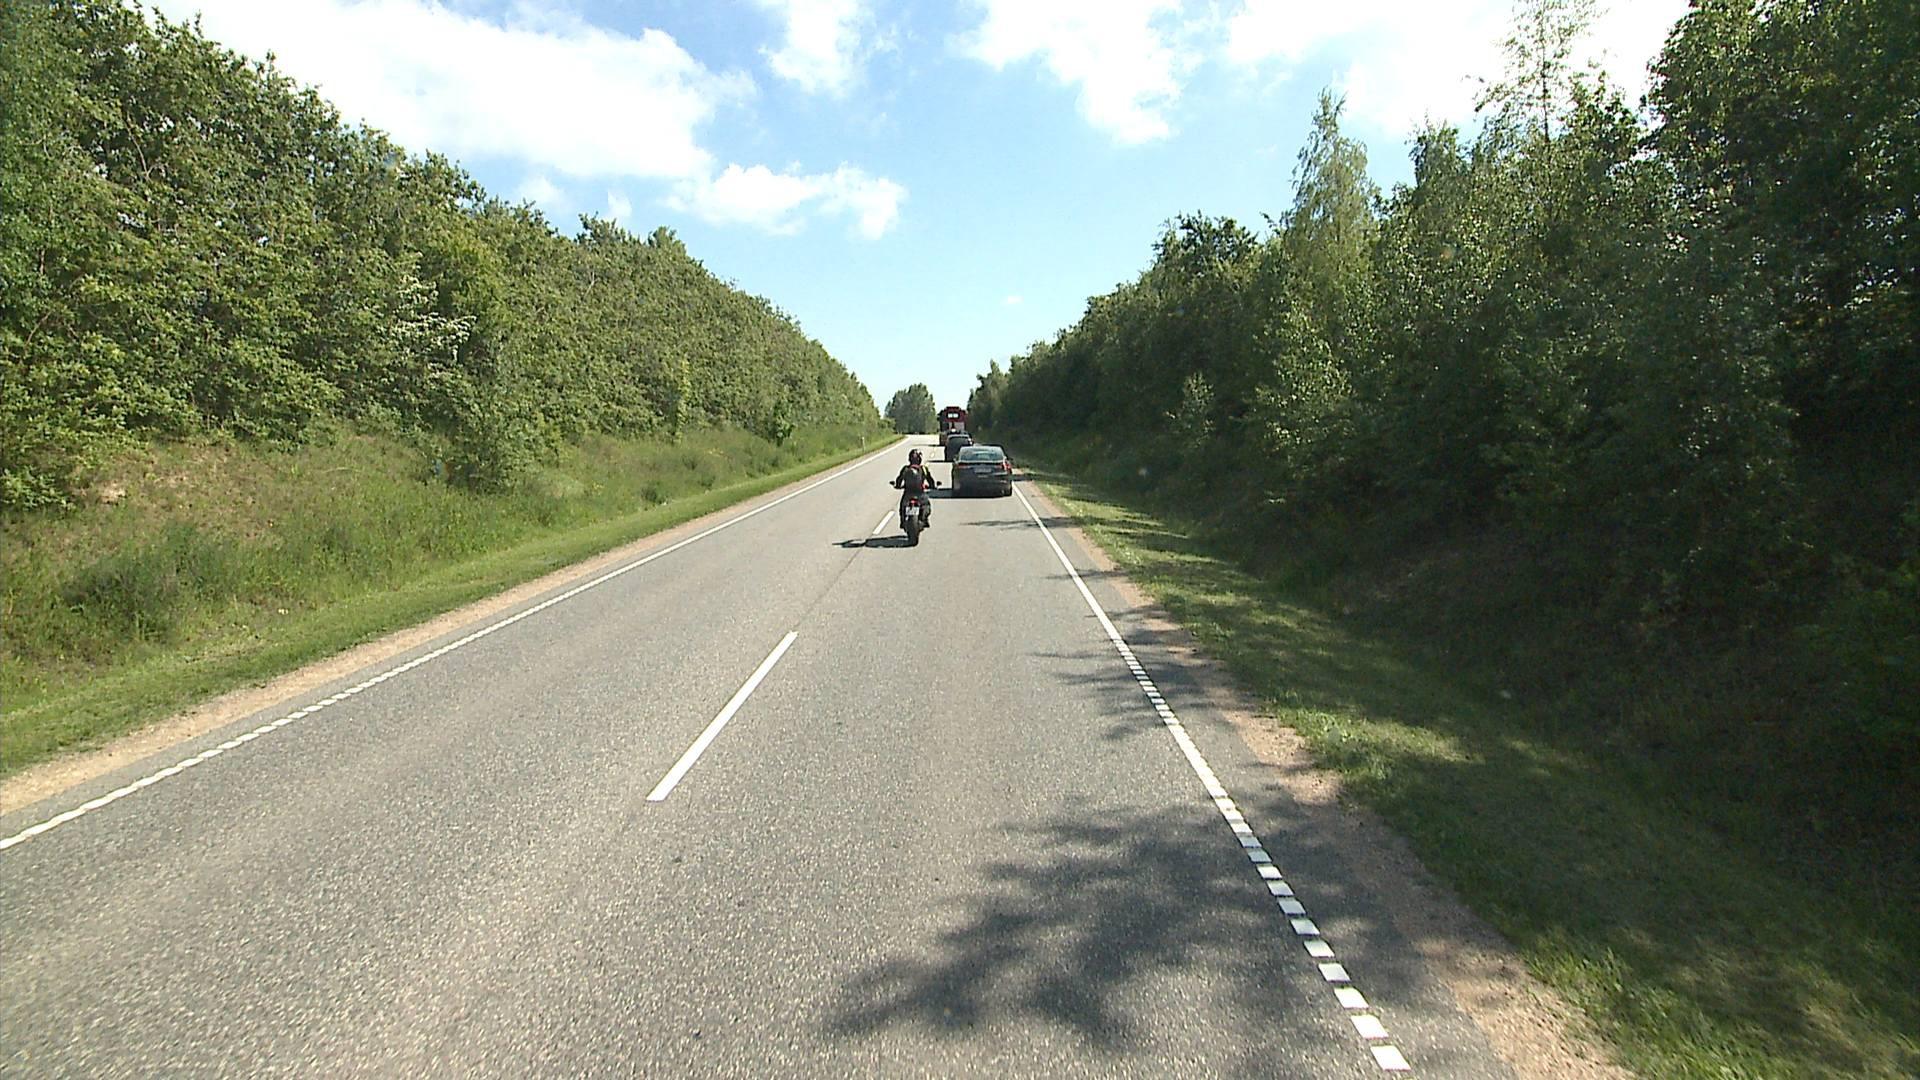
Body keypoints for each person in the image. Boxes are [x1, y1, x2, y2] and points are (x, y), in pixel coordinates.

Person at [892, 448, 937, 528]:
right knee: (926, 505)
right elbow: (930, 480)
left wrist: (897, 486)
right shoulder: (923, 469)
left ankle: (902, 521)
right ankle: (925, 520)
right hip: (920, 493)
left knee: (902, 507)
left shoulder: (905, 469)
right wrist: (933, 486)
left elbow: (899, 479)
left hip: (908, 492)